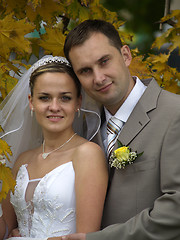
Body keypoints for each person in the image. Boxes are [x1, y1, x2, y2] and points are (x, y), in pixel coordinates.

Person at [61, 19, 180, 240]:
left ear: (125, 55)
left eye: (104, 61)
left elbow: (176, 210)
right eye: (85, 71)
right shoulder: (83, 125)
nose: (98, 78)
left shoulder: (175, 113)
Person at [0, 55, 108, 239]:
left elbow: (87, 236)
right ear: (31, 102)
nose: (54, 107)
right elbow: (5, 229)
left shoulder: (87, 154)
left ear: (78, 103)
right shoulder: (22, 160)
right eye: (44, 98)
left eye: (65, 98)